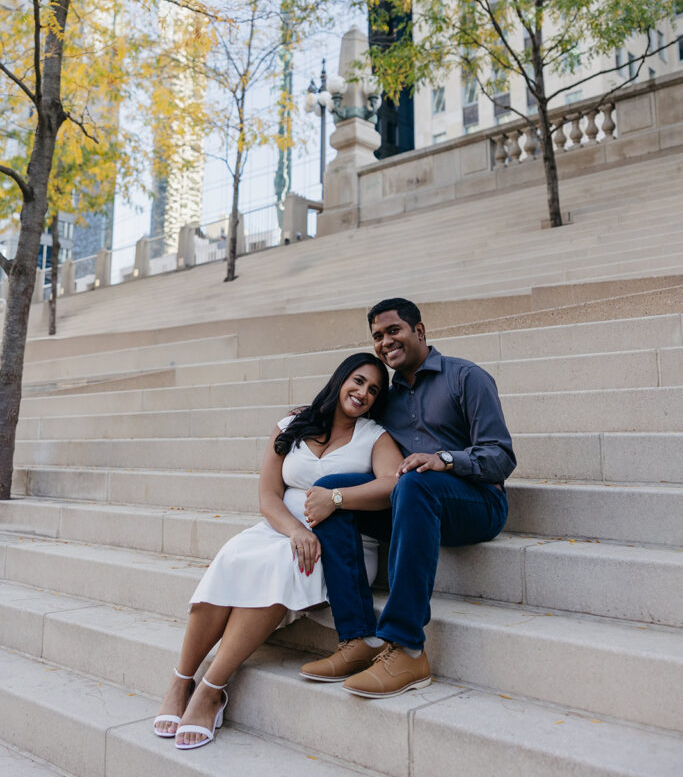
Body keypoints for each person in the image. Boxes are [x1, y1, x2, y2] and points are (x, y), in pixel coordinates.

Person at [153, 352, 404, 748]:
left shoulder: (375, 436)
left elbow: (393, 485)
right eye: (357, 381)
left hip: (341, 546)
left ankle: (211, 689)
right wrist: (293, 530)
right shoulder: (292, 424)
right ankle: (180, 680)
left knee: (277, 565)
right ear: (341, 379)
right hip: (278, 529)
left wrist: (337, 498)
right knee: (233, 555)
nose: (363, 393)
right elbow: (268, 495)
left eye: (373, 390)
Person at [300, 297, 516, 698]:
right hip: (414, 506)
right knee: (337, 488)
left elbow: (501, 456)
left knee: (414, 481)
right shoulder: (388, 397)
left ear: (419, 330)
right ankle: (358, 639)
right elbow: (354, 422)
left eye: (393, 330)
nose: (384, 342)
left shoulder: (466, 377)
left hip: (477, 503)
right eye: (377, 336)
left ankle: (407, 647)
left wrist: (445, 460)